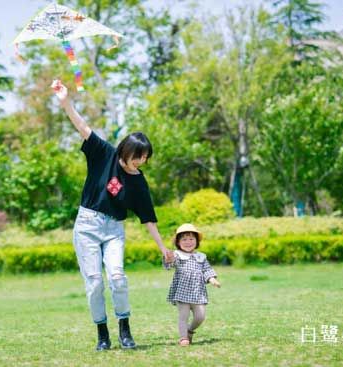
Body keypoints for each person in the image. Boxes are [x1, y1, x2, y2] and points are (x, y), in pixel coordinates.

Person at [51, 79, 174, 351]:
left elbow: (148, 218)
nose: (141, 163)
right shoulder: (104, 154)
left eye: (145, 158)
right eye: (138, 157)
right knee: (94, 283)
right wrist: (65, 101)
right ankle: (102, 334)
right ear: (126, 151)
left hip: (114, 230)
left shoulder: (139, 181)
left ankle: (125, 330)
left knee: (117, 277)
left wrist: (163, 247)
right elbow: (82, 126)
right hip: (87, 225)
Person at [163, 223, 221, 346]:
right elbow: (170, 264)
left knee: (200, 316)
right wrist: (168, 259)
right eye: (184, 239)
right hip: (182, 291)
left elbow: (207, 270)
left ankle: (190, 330)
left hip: (197, 291)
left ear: (196, 241)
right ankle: (183, 337)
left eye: (191, 239)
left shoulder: (201, 256)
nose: (188, 242)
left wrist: (212, 279)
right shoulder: (177, 255)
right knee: (183, 316)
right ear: (178, 242)